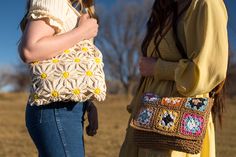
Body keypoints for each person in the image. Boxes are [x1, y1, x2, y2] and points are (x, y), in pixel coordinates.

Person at [119, 0, 228, 156]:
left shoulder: (206, 4)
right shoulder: (167, 7)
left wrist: (159, 68)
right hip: (147, 117)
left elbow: (210, 70)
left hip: (178, 122)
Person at [18, 0, 100, 156]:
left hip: (67, 107)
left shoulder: (74, 8)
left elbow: (71, 62)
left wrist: (87, 102)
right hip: (56, 108)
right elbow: (30, 49)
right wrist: (82, 31)